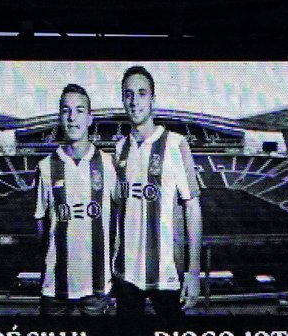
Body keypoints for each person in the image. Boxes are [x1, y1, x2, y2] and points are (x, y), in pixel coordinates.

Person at [111, 65, 202, 317]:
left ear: (153, 99)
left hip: (167, 275)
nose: (134, 101)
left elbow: (193, 207)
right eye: (128, 94)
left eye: (141, 93)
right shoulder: (119, 149)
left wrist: (193, 272)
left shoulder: (176, 144)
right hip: (126, 274)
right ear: (122, 100)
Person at [33, 82, 116, 315]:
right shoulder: (46, 166)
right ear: (60, 117)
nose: (72, 117)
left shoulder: (109, 164)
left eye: (79, 110)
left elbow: (118, 222)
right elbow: (40, 223)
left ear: (90, 119)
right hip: (54, 288)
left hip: (97, 287)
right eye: (65, 110)